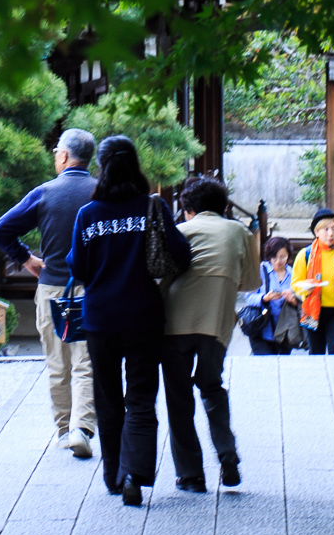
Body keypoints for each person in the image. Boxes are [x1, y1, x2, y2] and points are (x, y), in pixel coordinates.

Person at [62, 133, 190, 505]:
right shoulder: (153, 207)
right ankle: (135, 473)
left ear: (101, 167)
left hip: (100, 317)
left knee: (107, 397)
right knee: (141, 397)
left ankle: (113, 475)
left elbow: (79, 267)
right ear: (135, 165)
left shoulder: (88, 214)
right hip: (144, 315)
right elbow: (181, 255)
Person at [0, 129, 101, 457]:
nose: (55, 156)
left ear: (64, 156)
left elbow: (2, 228)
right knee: (86, 361)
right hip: (92, 288)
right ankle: (83, 427)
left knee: (57, 362)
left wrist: (26, 259)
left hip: (52, 286)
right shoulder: (103, 192)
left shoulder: (45, 193)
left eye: (56, 151)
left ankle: (64, 430)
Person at [161, 175, 260, 490]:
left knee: (178, 398)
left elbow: (160, 278)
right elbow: (253, 283)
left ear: (187, 209)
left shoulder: (179, 231)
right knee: (211, 386)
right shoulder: (240, 232)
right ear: (224, 207)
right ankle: (227, 453)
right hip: (216, 324)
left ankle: (190, 475)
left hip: (174, 324)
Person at [291, 209, 334, 354]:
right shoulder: (305, 255)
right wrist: (305, 288)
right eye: (326, 229)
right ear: (316, 232)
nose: (330, 233)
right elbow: (296, 282)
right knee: (316, 352)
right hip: (312, 310)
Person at [240, 237, 299, 356]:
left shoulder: (293, 274)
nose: (278, 261)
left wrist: (293, 300)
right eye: (274, 257)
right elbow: (248, 297)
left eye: (283, 257)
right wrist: (264, 298)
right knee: (265, 364)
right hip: (262, 329)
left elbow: (300, 300)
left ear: (288, 256)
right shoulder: (260, 271)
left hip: (285, 331)